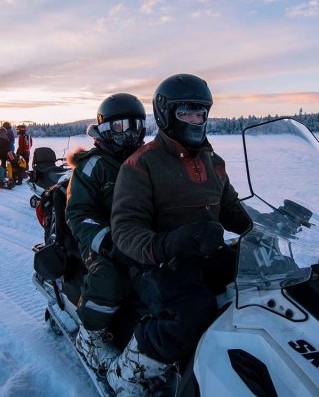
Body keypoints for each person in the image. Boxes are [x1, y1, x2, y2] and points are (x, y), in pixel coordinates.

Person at [107, 74, 252, 395]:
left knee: (262, 290)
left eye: (200, 113)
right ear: (165, 114)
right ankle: (128, 371)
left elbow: (232, 210)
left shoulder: (213, 161)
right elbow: (126, 230)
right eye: (186, 113)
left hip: (206, 254)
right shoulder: (141, 164)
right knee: (193, 312)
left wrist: (270, 225)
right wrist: (168, 243)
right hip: (156, 263)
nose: (195, 120)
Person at [65, 93, 147, 376]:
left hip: (144, 237)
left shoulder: (146, 160)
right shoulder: (93, 166)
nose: (130, 134)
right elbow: (78, 214)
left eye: (135, 126)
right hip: (102, 240)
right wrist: (110, 242)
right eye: (121, 127)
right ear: (106, 129)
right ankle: (91, 335)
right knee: (111, 278)